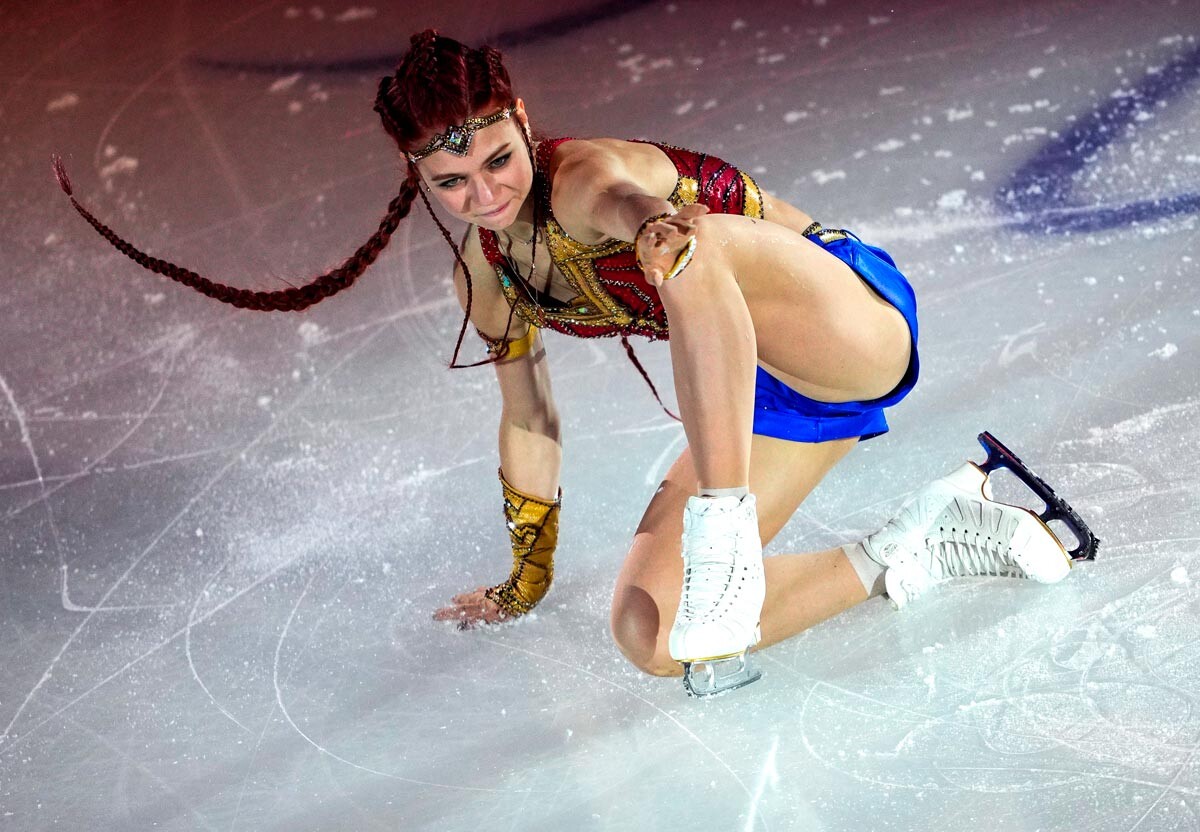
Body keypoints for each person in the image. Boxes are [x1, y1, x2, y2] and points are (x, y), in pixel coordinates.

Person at [52, 30, 1097, 697]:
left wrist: (648, 221)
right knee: (654, 631)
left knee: (688, 245)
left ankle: (727, 531)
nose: (486, 190)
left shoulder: (587, 178)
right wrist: (527, 574)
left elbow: (646, 213)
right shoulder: (486, 274)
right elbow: (530, 418)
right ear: (417, 176)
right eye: (452, 179)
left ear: (523, 124)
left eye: (498, 157)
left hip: (848, 318)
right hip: (765, 391)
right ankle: (920, 544)